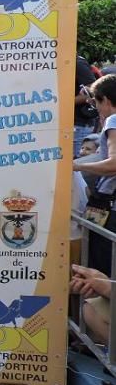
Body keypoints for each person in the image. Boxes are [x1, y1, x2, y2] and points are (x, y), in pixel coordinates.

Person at [74, 75, 116, 274]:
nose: (96, 109)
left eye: (96, 103)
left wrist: (76, 167)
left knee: (101, 273)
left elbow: (113, 165)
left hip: (109, 206)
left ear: (106, 100)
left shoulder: (113, 120)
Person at [74, 56, 99, 159]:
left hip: (80, 124)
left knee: (78, 167)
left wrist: (63, 104)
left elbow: (92, 91)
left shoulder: (78, 63)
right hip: (66, 123)